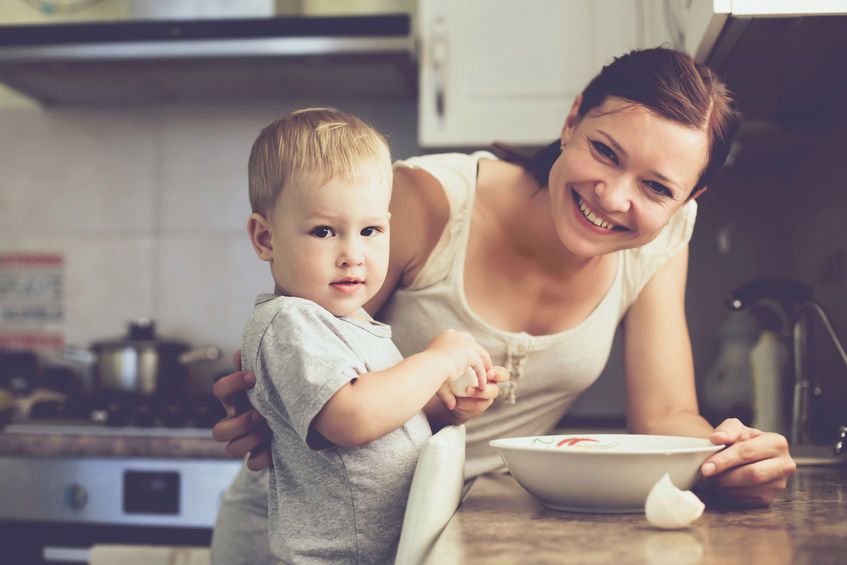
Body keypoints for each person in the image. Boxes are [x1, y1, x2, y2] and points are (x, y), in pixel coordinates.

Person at [211, 48, 797, 563]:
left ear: (689, 198)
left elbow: (666, 416)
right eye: (605, 151)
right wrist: (264, 409)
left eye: (657, 188)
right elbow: (302, 345)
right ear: (572, 121)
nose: (615, 197)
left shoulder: (665, 236)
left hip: (439, 534)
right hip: (308, 534)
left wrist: (731, 459)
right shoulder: (425, 203)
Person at [236, 108, 507, 563]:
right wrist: (437, 360)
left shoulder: (359, 324)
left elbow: (386, 426)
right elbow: (353, 419)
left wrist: (444, 408)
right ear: (265, 238)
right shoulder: (289, 321)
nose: (352, 255)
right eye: (324, 231)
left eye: (370, 230)